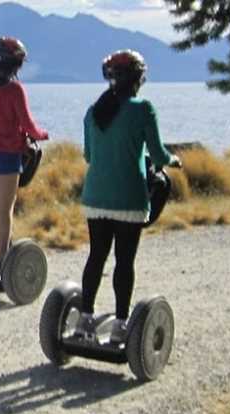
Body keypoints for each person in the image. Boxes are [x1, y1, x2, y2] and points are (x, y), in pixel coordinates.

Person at [77, 50, 180, 341]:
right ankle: (121, 324)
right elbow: (158, 153)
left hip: (95, 196)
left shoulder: (93, 111)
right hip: (129, 197)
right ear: (139, 78)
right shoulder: (143, 109)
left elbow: (88, 155)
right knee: (124, 261)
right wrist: (173, 160)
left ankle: (85, 318)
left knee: (96, 256)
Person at [0, 36, 49, 277]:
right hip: (6, 156)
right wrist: (42, 134)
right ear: (17, 64)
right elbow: (28, 124)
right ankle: (3, 259)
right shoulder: (14, 89)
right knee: (4, 209)